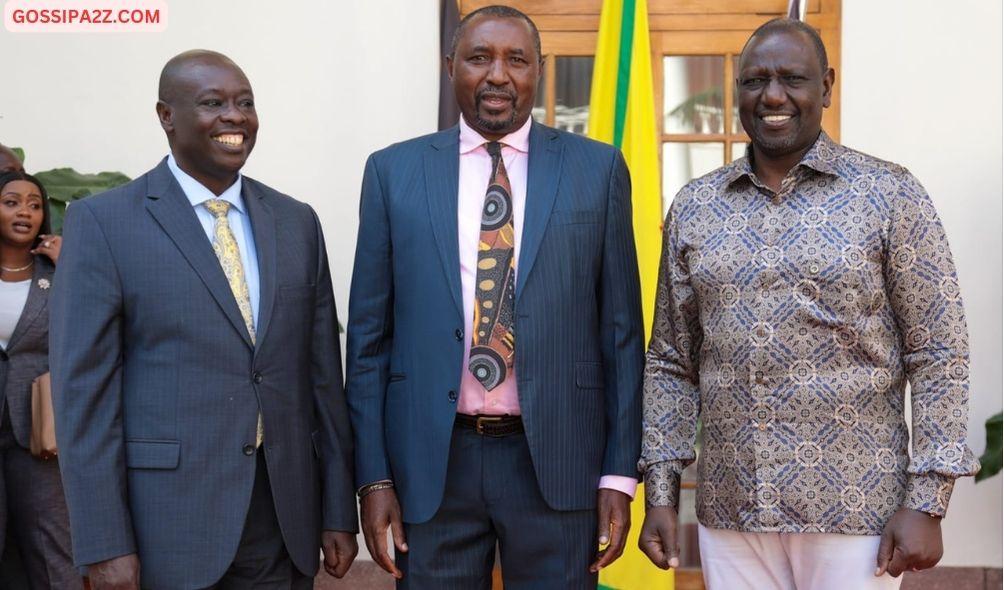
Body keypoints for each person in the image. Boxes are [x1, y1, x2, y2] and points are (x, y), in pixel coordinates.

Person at [637, 18, 979, 590]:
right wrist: (663, 492)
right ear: (738, 90)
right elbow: (672, 361)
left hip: (856, 515)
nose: (773, 96)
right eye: (755, 80)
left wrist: (928, 501)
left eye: (792, 79)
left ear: (826, 86)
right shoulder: (696, 206)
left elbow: (939, 351)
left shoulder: (890, 194)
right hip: (732, 512)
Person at [345, 5, 644, 588]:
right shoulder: (392, 172)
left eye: (517, 60)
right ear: (450, 65)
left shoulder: (598, 169)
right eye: (479, 58)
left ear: (540, 70)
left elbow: (621, 335)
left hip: (558, 464)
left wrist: (617, 474)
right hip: (432, 466)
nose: (498, 75)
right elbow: (368, 342)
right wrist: (374, 477)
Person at [49, 50, 358, 590]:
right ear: (166, 116)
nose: (234, 116)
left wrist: (336, 509)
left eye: (245, 103)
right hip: (165, 524)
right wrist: (104, 540)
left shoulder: (296, 222)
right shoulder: (103, 222)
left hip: (281, 519)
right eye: (213, 103)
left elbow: (322, 380)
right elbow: (84, 397)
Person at [0, 171, 75, 588]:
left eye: (33, 203)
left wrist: (71, 267)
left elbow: (89, 331)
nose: (25, 211)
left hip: (39, 429)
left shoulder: (58, 271)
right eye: (12, 202)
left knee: (52, 547)